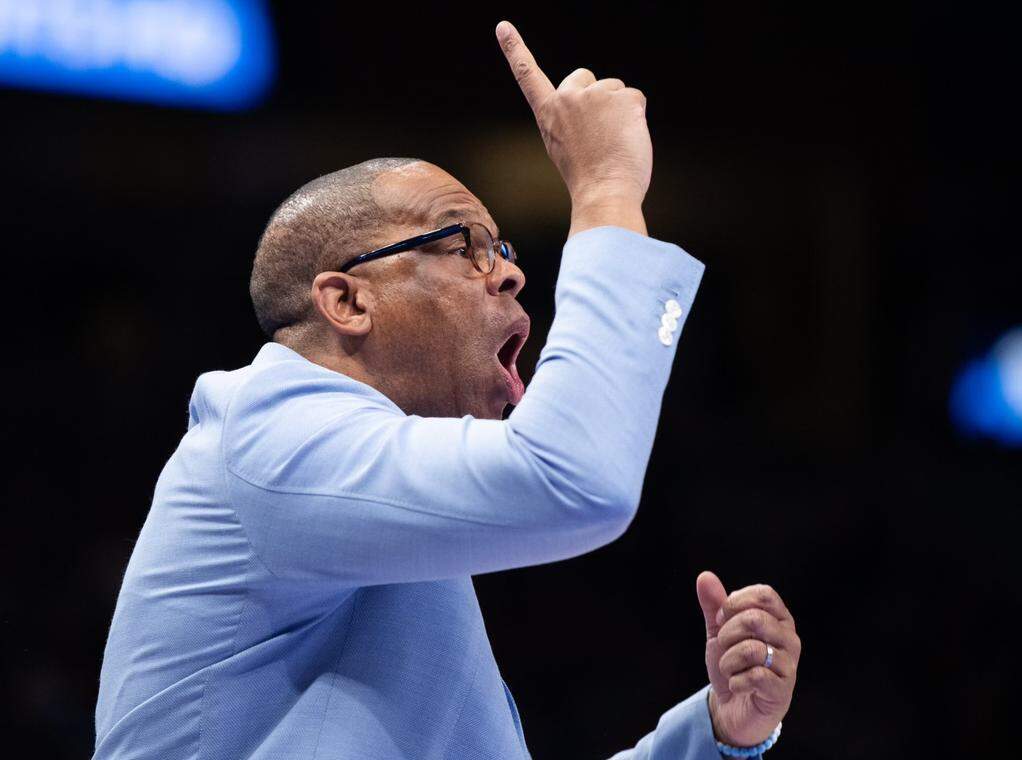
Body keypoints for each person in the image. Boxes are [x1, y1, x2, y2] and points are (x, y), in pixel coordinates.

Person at [93, 20, 801, 759]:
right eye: (466, 243)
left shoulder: (377, 519)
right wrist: (606, 188)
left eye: (504, 248)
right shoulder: (267, 433)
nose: (510, 271)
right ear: (349, 302)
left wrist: (720, 735)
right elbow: (577, 476)